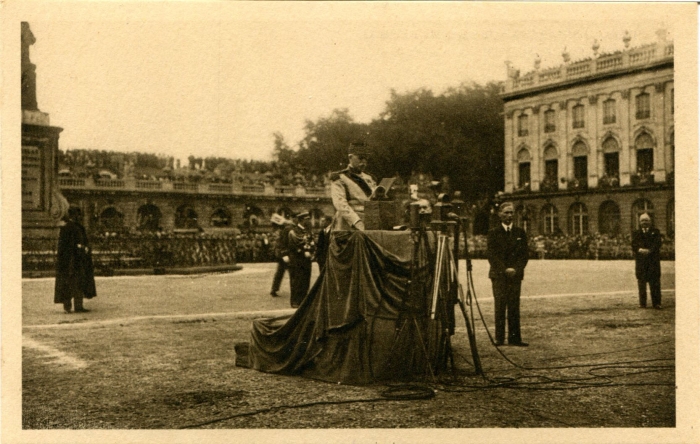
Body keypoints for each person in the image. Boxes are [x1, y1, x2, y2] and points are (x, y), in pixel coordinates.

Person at [487, 202, 529, 346]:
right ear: (500, 214)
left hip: (515, 275)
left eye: (511, 213)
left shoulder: (520, 233)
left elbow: (524, 255)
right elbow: (492, 255)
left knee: (514, 306)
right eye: (506, 213)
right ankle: (499, 338)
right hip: (499, 275)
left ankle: (514, 338)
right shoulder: (493, 233)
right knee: (500, 306)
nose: (509, 216)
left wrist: (516, 269)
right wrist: (504, 269)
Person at [54, 206, 96, 313]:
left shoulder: (69, 227)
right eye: (78, 215)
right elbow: (74, 244)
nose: (79, 217)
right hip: (75, 260)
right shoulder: (74, 227)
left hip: (70, 261)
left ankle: (70, 307)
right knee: (76, 282)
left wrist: (83, 248)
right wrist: (83, 248)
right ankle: (76, 306)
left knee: (71, 283)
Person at [329, 142, 377, 231]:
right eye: (360, 158)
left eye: (366, 159)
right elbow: (340, 204)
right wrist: (356, 221)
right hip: (349, 224)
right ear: (350, 157)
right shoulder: (339, 178)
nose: (364, 162)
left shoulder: (369, 178)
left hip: (370, 222)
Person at [281, 211, 315, 308]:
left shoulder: (308, 231)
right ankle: (295, 301)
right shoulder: (293, 231)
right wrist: (303, 251)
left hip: (306, 260)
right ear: (301, 220)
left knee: (306, 280)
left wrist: (311, 252)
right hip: (296, 259)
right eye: (306, 219)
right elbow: (291, 245)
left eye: (308, 219)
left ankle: (304, 301)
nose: (308, 221)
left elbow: (312, 243)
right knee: (296, 281)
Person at [631, 213, 662, 309]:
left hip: (653, 261)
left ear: (650, 221)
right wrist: (639, 250)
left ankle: (656, 303)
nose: (644, 222)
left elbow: (658, 244)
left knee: (655, 283)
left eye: (646, 220)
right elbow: (633, 244)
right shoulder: (636, 233)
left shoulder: (656, 232)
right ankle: (642, 303)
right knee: (641, 283)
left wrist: (649, 251)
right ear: (639, 222)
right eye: (642, 220)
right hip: (641, 262)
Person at [269, 213, 293, 297]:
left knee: (279, 273)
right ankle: (293, 289)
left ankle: (274, 289)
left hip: (280, 255)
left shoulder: (279, 232)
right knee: (291, 272)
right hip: (285, 254)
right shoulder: (283, 232)